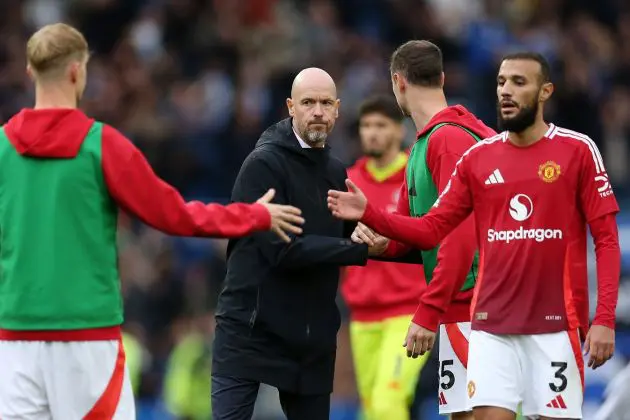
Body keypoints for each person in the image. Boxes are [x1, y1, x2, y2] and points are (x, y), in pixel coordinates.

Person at [0, 23, 304, 420]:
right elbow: (175, 215)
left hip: (15, 339)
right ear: (78, 71)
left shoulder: (3, 147)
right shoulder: (101, 145)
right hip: (86, 337)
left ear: (29, 71)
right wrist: (254, 215)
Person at [328, 52, 620, 420]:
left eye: (519, 82)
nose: (506, 92)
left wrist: (604, 318)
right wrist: (370, 216)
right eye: (500, 83)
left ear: (546, 91)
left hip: (553, 320)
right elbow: (436, 227)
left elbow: (606, 240)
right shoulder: (477, 157)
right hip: (488, 321)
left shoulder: (576, 150)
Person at [211, 68, 405, 420]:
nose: (317, 111)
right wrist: (359, 249)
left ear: (337, 110)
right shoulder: (263, 165)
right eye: (308, 102)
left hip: (310, 337)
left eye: (325, 103)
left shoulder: (334, 171)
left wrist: (366, 235)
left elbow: (347, 233)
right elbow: (282, 251)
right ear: (290, 107)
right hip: (250, 331)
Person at [351, 40, 495, 420]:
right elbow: (422, 234)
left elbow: (460, 236)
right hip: (458, 305)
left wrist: (426, 312)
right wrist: (386, 245)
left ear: (398, 82)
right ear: (442, 78)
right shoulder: (425, 144)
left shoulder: (447, 140)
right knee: (463, 415)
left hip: (476, 305)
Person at [342, 95, 429, 420]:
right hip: (363, 314)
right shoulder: (348, 181)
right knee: (370, 409)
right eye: (366, 126)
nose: (372, 133)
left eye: (380, 125)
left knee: (387, 402)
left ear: (397, 130)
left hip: (407, 312)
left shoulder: (415, 175)